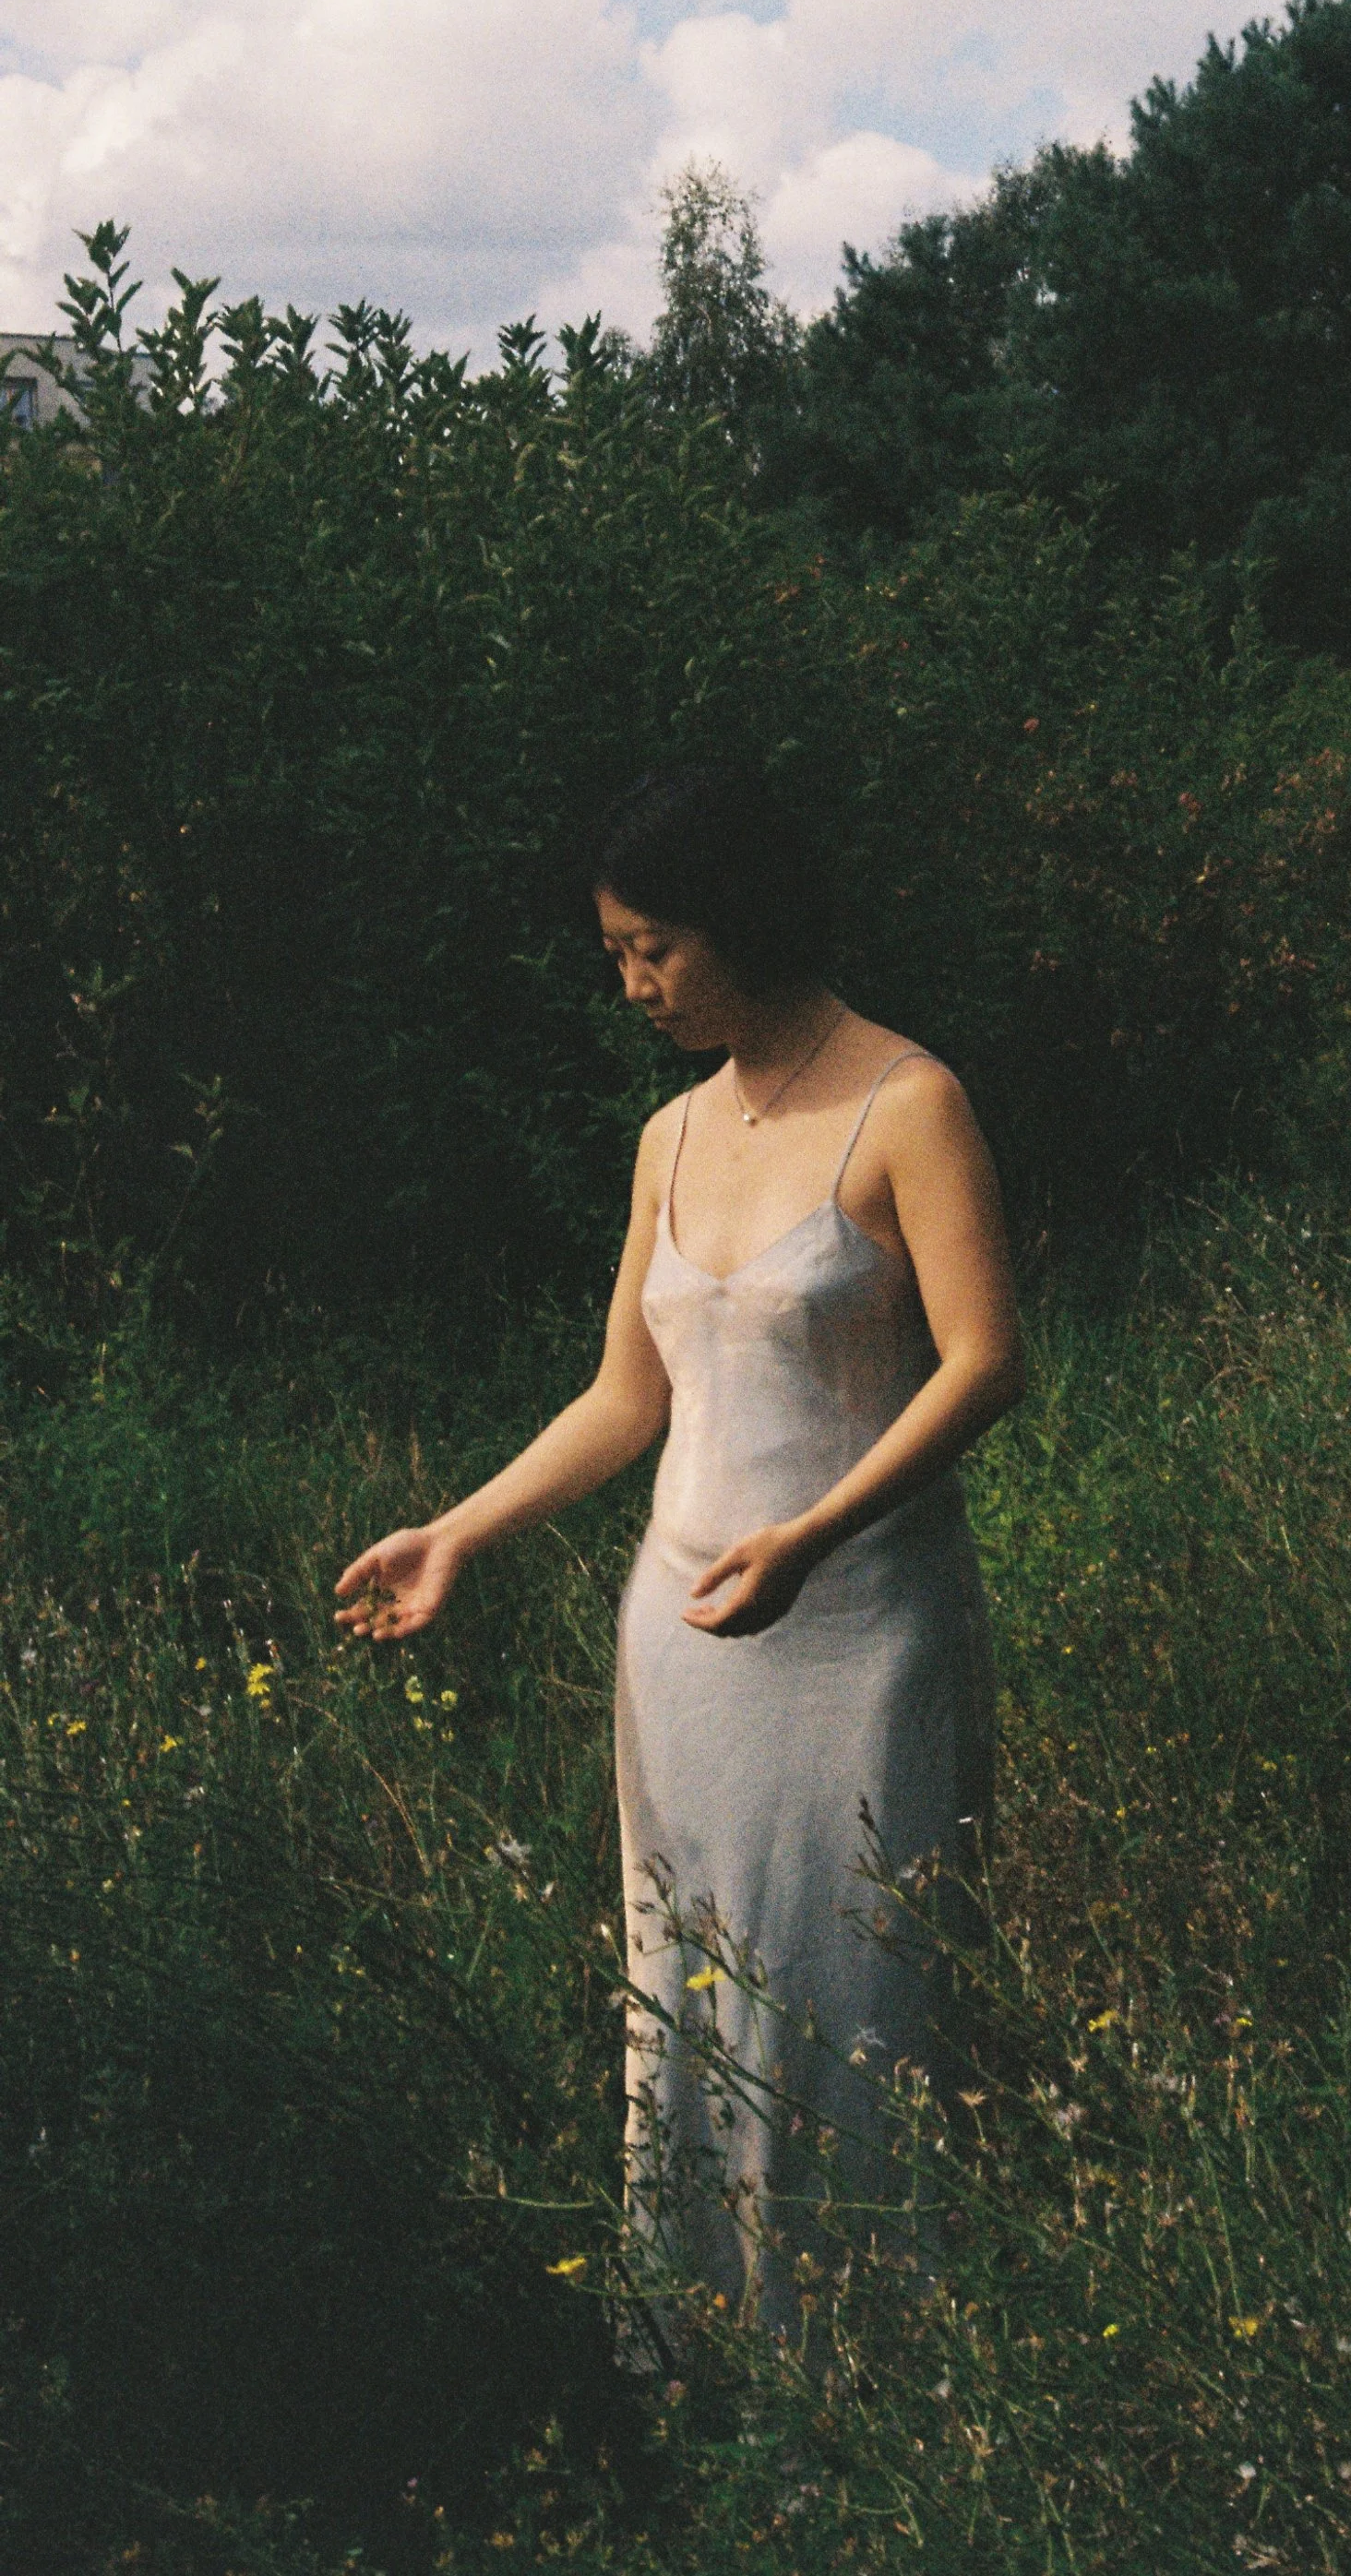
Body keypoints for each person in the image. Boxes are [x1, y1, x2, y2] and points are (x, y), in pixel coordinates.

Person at [333, 764, 1022, 2335]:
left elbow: (989, 1361)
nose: (634, 983)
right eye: (616, 955)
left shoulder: (906, 1101)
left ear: (748, 920)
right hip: (687, 1642)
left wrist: (816, 1533)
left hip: (862, 1633)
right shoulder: (669, 1138)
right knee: (694, 1994)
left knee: (856, 1990)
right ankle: (706, 2358)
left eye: (656, 947)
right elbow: (626, 1396)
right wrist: (456, 1532)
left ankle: (878, 2372)